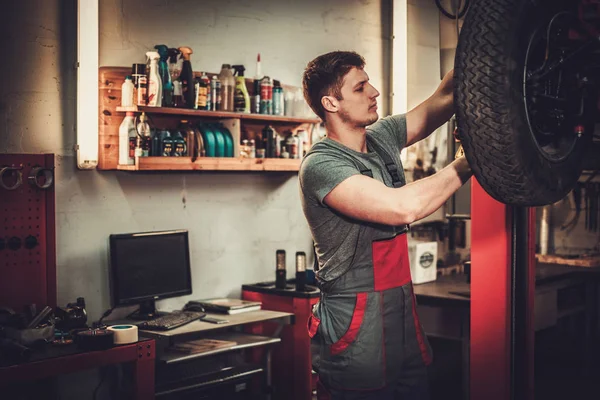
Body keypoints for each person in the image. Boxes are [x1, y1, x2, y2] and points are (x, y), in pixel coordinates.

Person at [299, 51, 472, 400]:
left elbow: (442, 100)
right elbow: (403, 208)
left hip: (401, 311)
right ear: (331, 102)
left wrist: (482, 63)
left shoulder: (382, 137)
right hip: (355, 317)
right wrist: (469, 163)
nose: (374, 91)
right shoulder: (322, 166)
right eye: (361, 87)